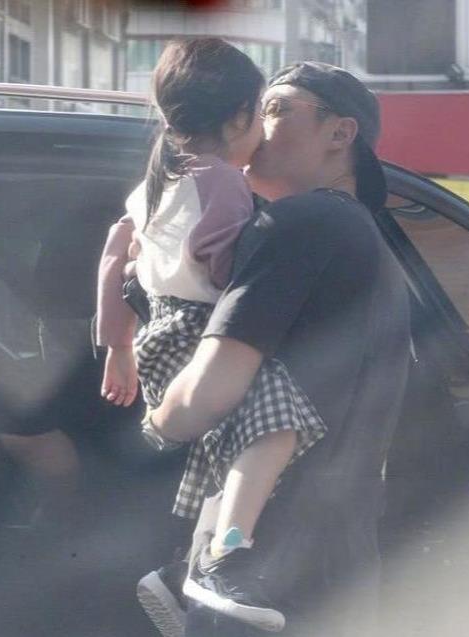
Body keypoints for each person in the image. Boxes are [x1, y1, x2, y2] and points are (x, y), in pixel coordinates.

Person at [139, 62, 412, 637]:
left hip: (260, 572)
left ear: (339, 133)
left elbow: (210, 391)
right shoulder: (368, 242)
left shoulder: (303, 220)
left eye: (275, 109)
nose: (256, 127)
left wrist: (155, 421)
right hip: (332, 564)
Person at [96, 38, 327, 632]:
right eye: (262, 113)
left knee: (232, 453)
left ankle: (182, 573)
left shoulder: (155, 181)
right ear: (238, 117)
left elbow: (116, 254)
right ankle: (223, 561)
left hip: (159, 338)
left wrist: (118, 347)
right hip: (203, 332)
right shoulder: (221, 181)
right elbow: (226, 268)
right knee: (278, 428)